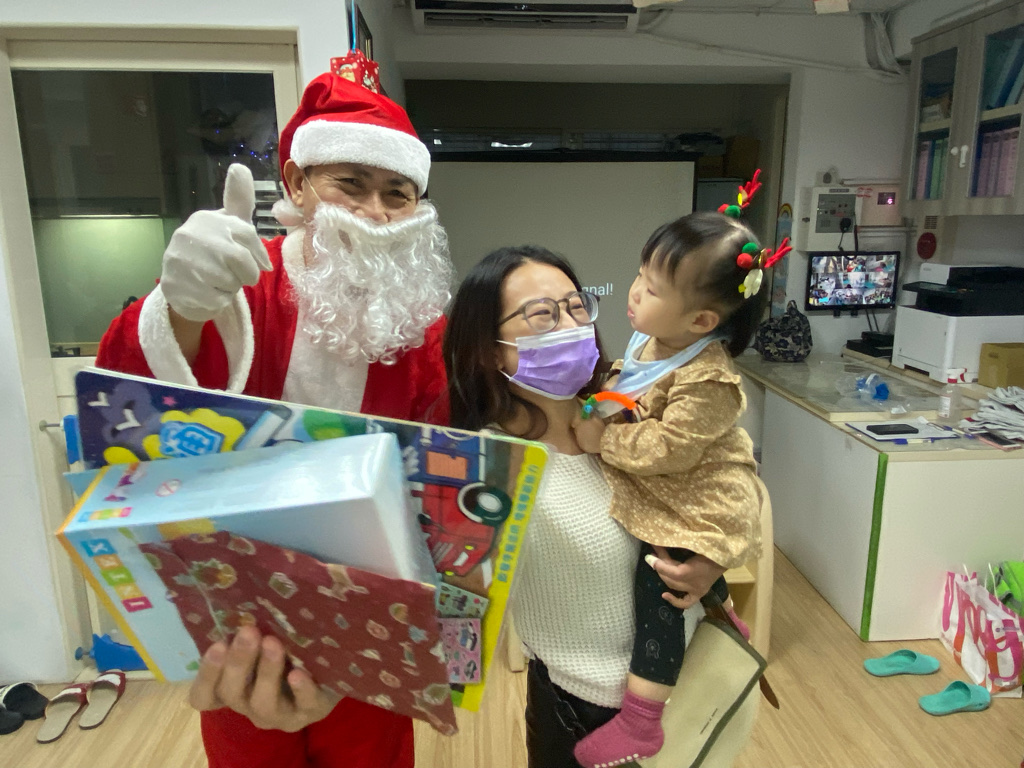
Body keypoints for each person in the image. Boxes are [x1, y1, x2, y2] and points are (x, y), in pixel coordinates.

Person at [95, 51, 452, 768]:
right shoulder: (235, 284)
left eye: (398, 193)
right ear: (295, 183)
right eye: (350, 184)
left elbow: (437, 483)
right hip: (238, 621)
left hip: (367, 620)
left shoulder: (421, 331)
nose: (376, 213)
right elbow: (133, 408)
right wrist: (178, 310)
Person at [443, 246, 754, 768]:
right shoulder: (489, 469)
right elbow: (457, 614)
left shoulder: (630, 413)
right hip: (588, 713)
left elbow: (723, 481)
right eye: (542, 315)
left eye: (576, 306)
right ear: (489, 351)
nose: (571, 326)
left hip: (696, 683)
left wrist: (711, 560)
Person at [568, 210, 787, 768]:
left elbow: (670, 448)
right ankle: (721, 611)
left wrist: (603, 440)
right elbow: (632, 386)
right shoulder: (654, 335)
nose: (635, 291)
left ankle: (643, 720)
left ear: (701, 320)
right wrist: (606, 398)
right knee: (673, 569)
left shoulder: (709, 378)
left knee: (659, 583)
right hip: (672, 485)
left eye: (653, 287)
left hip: (704, 496)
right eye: (640, 275)